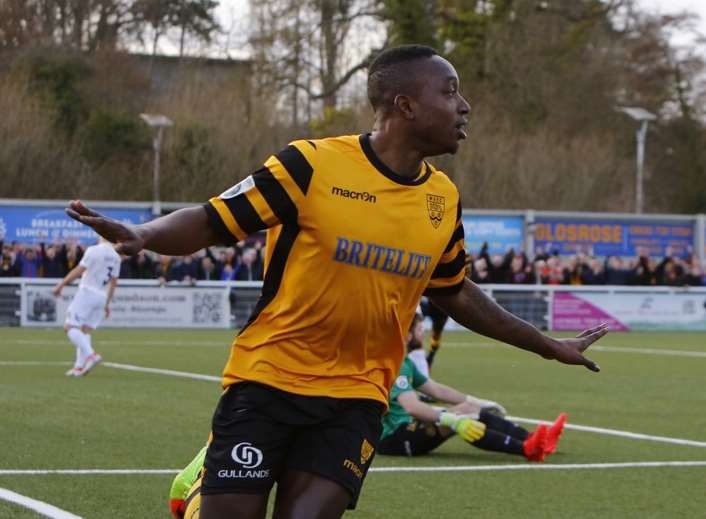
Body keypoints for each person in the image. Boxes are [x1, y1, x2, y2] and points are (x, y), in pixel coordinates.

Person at [65, 44, 606, 518]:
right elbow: (212, 220)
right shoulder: (310, 165)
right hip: (268, 380)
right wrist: (144, 233)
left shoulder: (443, 199)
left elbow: (455, 291)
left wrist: (547, 345)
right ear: (406, 105)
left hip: (357, 398)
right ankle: (203, 494)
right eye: (451, 92)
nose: (465, 107)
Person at [381, 313, 565, 460]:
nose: (424, 334)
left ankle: (535, 440)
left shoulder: (404, 362)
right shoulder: (396, 364)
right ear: (407, 335)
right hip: (393, 439)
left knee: (470, 409)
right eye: (420, 329)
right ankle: (525, 448)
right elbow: (411, 407)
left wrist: (475, 401)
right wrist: (451, 419)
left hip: (404, 430)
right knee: (465, 417)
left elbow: (436, 390)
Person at [52, 237, 120, 377]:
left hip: (88, 292)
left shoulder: (93, 250)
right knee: (85, 331)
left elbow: (79, 270)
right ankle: (79, 367)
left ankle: (91, 355)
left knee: (69, 327)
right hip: (101, 296)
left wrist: (61, 285)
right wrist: (107, 304)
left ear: (101, 236)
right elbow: (113, 283)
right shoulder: (116, 257)